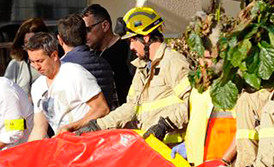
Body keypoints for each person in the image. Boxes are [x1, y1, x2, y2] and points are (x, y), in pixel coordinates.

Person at [75, 6, 191, 145]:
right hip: (155, 147)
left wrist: (165, 124)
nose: (130, 47)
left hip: (175, 147)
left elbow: (191, 102)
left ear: (146, 38)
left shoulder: (172, 61)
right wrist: (98, 125)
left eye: (132, 40)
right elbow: (131, 107)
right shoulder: (142, 68)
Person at [25, 32, 109, 140]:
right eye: (32, 62)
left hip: (88, 142)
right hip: (64, 147)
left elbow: (102, 109)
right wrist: (28, 153)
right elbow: (39, 129)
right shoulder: (37, 86)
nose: (36, 67)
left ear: (54, 55)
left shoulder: (75, 73)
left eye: (40, 61)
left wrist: (72, 127)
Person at [57, 14, 119, 110]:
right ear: (85, 35)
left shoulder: (61, 68)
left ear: (60, 39)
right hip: (105, 121)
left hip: (77, 123)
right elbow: (114, 101)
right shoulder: (104, 63)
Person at [82, 4, 133, 104]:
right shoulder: (90, 54)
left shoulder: (129, 48)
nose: (84, 35)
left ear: (105, 25)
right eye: (82, 31)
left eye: (88, 29)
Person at [4, 18, 48, 97]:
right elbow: (7, 95)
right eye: (26, 43)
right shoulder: (16, 65)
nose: (29, 47)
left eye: (34, 43)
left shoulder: (54, 63)